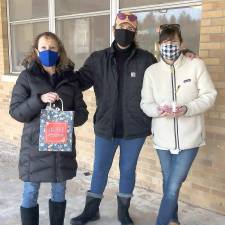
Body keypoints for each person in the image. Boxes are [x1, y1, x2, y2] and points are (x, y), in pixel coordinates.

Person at [70, 12, 157, 225]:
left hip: (134, 130)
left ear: (135, 32)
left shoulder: (146, 59)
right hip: (106, 127)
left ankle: (123, 212)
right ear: (113, 29)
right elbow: (78, 82)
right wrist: (58, 71)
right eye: (121, 27)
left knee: (127, 170)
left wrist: (187, 55)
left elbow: (164, 78)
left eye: (129, 29)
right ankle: (91, 211)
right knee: (100, 169)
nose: (124, 32)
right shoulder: (98, 59)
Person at [140, 24, 217, 225]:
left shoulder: (196, 65)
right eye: (165, 42)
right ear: (159, 46)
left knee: (173, 184)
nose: (169, 46)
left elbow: (210, 95)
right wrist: (158, 110)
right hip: (163, 139)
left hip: (190, 138)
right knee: (168, 181)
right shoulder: (152, 72)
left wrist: (187, 109)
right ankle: (173, 219)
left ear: (181, 43)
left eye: (173, 41)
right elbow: (145, 103)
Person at [9, 32, 88, 225]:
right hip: (34, 148)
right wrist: (39, 100)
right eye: (43, 48)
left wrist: (65, 116)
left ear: (59, 50)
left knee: (59, 192)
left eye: (52, 48)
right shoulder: (27, 77)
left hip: (61, 148)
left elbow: (82, 115)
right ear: (36, 51)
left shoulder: (70, 80)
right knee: (30, 192)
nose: (48, 51)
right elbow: (16, 111)